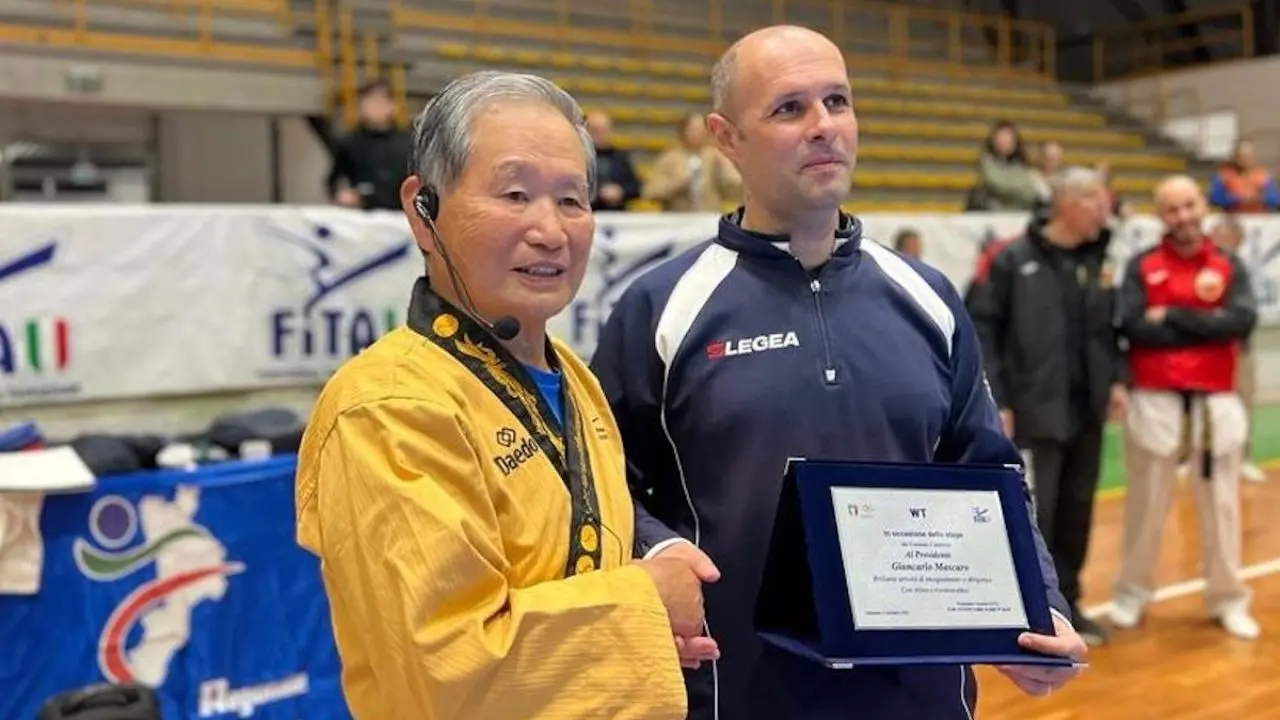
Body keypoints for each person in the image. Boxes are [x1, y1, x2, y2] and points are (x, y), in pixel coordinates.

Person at [590, 25, 1086, 720]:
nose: (824, 127)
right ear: (726, 138)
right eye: (789, 109)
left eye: (838, 101)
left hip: (921, 700)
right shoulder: (660, 307)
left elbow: (989, 473)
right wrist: (662, 550)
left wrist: (1039, 605)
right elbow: (599, 480)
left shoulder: (927, 295)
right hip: (737, 696)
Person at [294, 71, 715, 719]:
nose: (550, 229)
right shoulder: (387, 408)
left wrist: (642, 614)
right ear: (422, 210)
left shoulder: (573, 377)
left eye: (573, 200)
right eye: (515, 194)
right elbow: (446, 671)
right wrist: (644, 604)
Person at [968, 167, 1128, 647]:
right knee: (1039, 513)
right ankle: (1035, 611)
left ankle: (1071, 605)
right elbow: (982, 331)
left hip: (1087, 409)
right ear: (1067, 203)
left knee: (1078, 510)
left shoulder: (1099, 259)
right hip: (1037, 412)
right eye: (1097, 200)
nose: (1106, 210)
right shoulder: (1012, 259)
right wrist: (1000, 398)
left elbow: (1107, 330)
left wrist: (1116, 380)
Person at [1109, 175, 1260, 640]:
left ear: (1203, 206)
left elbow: (1239, 321)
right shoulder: (1142, 266)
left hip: (1216, 399)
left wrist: (1172, 314)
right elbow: (1133, 326)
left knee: (1222, 507)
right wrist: (1204, 324)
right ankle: (1130, 594)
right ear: (1161, 215)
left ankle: (1228, 598)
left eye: (1190, 205)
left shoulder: (1228, 263)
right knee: (1146, 506)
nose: (1184, 216)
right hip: (1156, 397)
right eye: (1172, 209)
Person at [1212, 216, 1265, 482]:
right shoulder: (1203, 265)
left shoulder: (1248, 268)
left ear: (1238, 238)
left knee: (1243, 401)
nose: (1221, 239)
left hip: (1239, 346)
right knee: (1199, 403)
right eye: (1216, 233)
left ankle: (1243, 458)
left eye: (1227, 234)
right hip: (1207, 346)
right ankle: (1190, 457)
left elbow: (1250, 309)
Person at [326, 77, 413, 211]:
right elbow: (334, 180)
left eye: (380, 102)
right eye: (369, 101)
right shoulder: (349, 143)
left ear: (393, 106)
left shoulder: (409, 143)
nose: (375, 107)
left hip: (400, 217)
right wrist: (341, 194)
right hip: (362, 218)